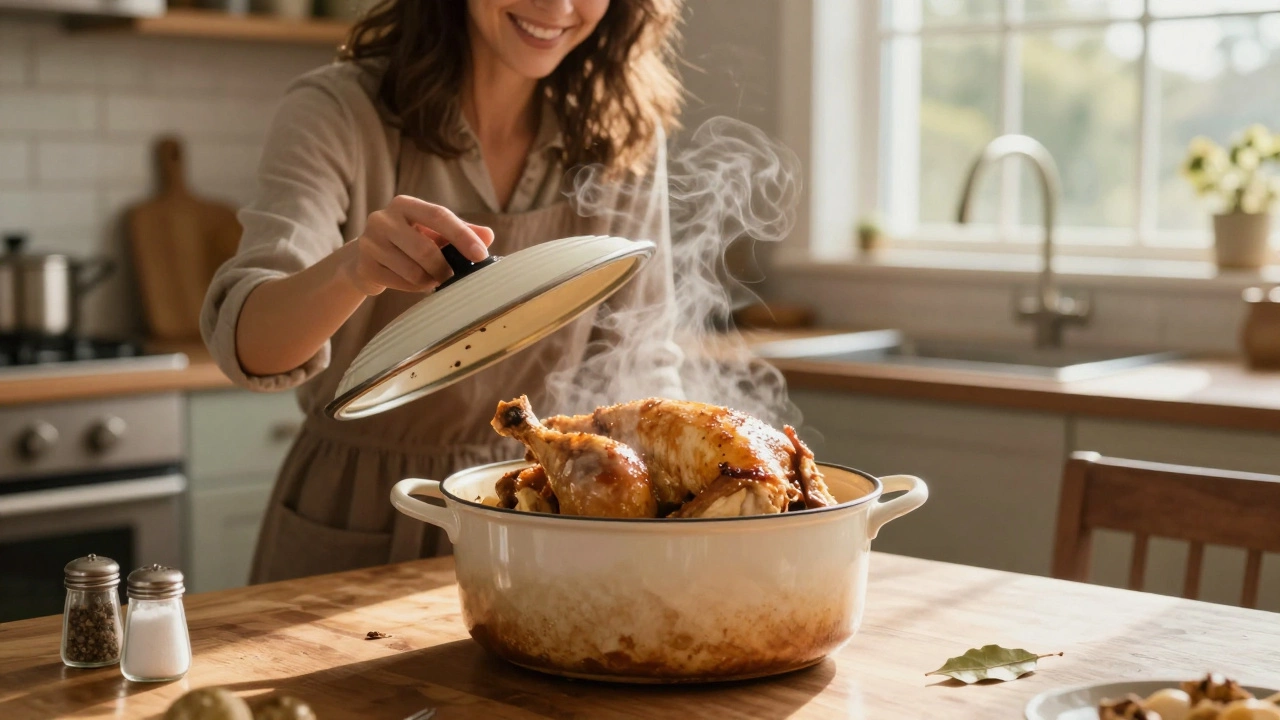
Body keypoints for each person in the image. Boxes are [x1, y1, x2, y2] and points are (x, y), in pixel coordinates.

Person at [201, 0, 685, 583]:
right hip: (359, 503)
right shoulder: (338, 112)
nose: (558, 6)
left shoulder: (622, 131)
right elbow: (252, 346)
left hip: (538, 505)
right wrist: (354, 268)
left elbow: (642, 353)